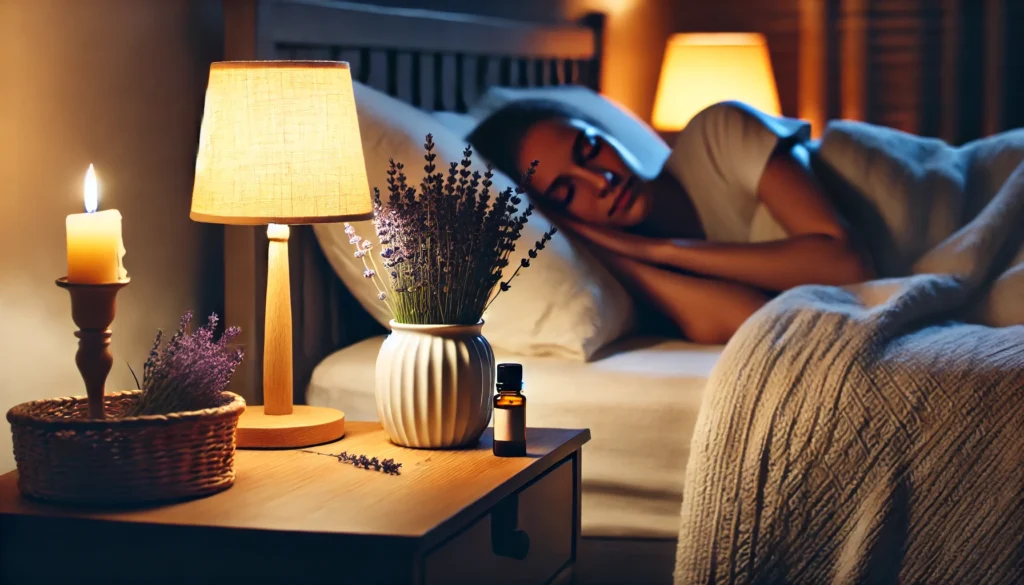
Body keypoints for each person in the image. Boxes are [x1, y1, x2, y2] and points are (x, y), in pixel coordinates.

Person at [468, 99, 873, 344]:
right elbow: (754, 318)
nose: (602, 180)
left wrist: (662, 248)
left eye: (590, 148)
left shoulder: (720, 133)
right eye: (566, 191)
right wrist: (616, 253)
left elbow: (847, 266)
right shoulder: (641, 286)